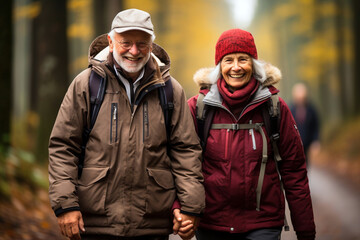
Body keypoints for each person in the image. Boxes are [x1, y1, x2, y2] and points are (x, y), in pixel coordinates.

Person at [48, 9, 205, 240]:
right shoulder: (86, 84)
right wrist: (66, 206)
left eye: (142, 43)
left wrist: (191, 208)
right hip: (95, 222)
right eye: (126, 43)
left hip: (152, 222)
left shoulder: (170, 90)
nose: (134, 51)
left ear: (152, 45)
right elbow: (63, 146)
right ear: (111, 42)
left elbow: (186, 150)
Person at [173, 29, 316, 240]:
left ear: (254, 64)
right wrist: (181, 208)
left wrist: (305, 231)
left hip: (263, 223)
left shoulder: (274, 108)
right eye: (228, 60)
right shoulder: (198, 108)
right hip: (212, 223)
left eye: (243, 59)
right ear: (219, 66)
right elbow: (180, 162)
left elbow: (294, 172)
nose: (236, 67)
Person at [290, 82, 320, 165]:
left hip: (307, 143)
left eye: (302, 97)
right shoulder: (290, 109)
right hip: (294, 145)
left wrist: (315, 141)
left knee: (305, 166)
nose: (300, 99)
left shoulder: (311, 109)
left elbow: (315, 126)